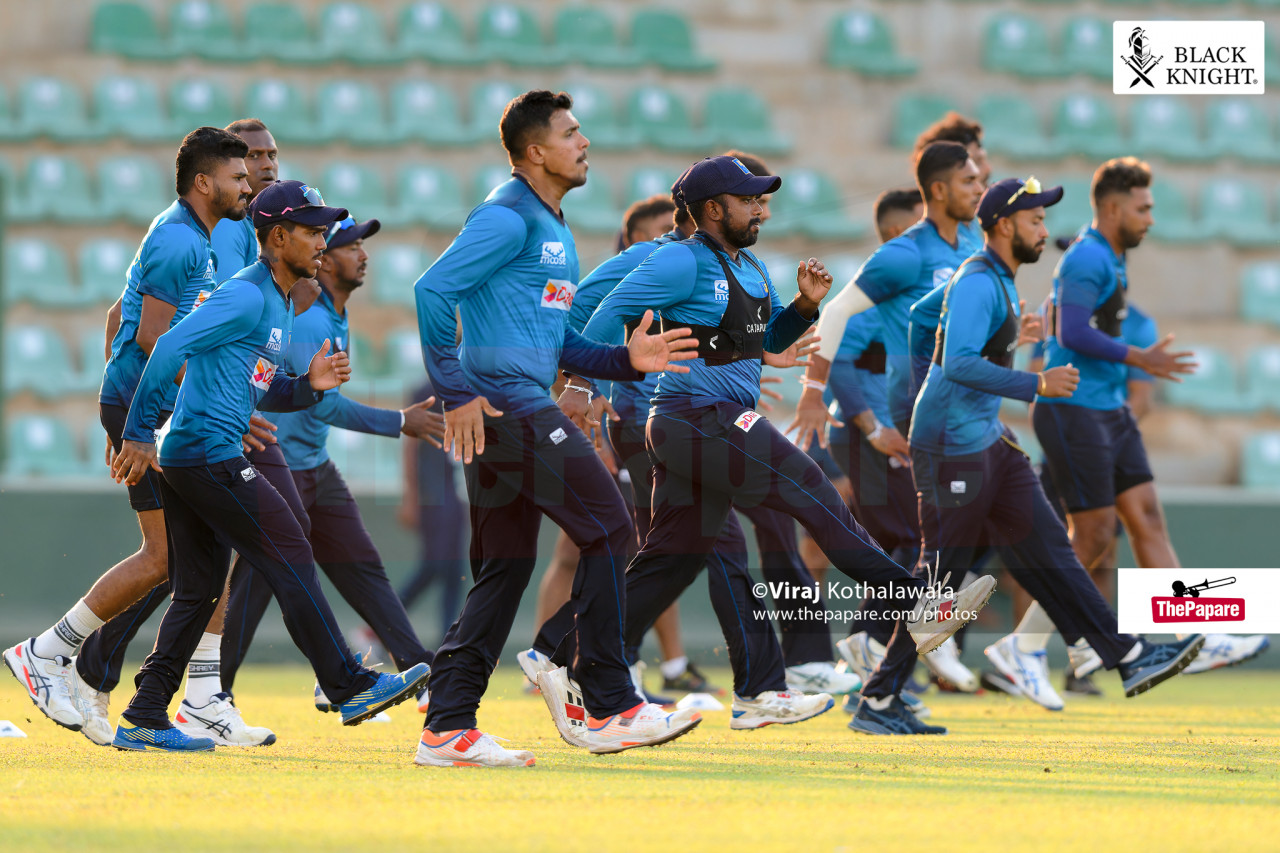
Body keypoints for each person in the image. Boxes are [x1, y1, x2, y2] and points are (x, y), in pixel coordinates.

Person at [569, 154, 996, 739]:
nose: (760, 209)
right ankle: (917, 601)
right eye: (748, 200)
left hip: (703, 421)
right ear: (712, 209)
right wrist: (582, 381)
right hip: (695, 417)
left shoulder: (749, 266)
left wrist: (803, 307)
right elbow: (607, 309)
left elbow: (767, 339)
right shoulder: (679, 259)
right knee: (812, 487)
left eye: (761, 199)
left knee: (672, 559)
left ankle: (578, 664)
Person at [413, 90, 703, 768]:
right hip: (508, 405)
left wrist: (624, 361)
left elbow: (556, 342)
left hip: (508, 405)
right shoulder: (507, 217)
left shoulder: (550, 225)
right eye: (571, 133)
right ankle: (607, 703)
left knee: (505, 568)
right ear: (536, 150)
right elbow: (432, 289)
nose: (585, 142)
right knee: (611, 528)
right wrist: (454, 392)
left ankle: (447, 725)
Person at [105, 180, 430, 751]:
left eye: (324, 231)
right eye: (311, 231)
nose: (323, 241)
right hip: (208, 453)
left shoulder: (277, 301)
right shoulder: (248, 295)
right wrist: (136, 432)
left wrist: (307, 385)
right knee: (291, 549)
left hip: (195, 454)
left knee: (199, 590)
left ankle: (145, 714)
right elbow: (168, 346)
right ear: (277, 237)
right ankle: (348, 684)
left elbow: (259, 385)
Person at [889, 176, 1203, 725]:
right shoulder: (979, 280)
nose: (1044, 230)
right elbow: (957, 362)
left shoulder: (999, 281)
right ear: (1005, 225)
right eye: (1035, 220)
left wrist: (990, 354)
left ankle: (1125, 654)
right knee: (940, 577)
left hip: (984, 438)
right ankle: (878, 688)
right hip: (951, 443)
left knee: (1053, 550)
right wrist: (1030, 384)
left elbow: (922, 323)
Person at [2, 127, 274, 747]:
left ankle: (182, 697)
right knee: (168, 557)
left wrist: (122, 411)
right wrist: (134, 417)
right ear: (203, 182)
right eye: (237, 176)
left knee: (196, 555)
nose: (247, 186)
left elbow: (116, 318)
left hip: (144, 407)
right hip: (149, 408)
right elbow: (152, 337)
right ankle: (50, 653)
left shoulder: (196, 235)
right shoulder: (181, 240)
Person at [1004, 158, 1267, 699]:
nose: (1150, 218)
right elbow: (1072, 333)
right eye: (1143, 208)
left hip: (1109, 411)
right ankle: (1023, 646)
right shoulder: (1086, 259)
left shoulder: (1112, 258)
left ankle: (1194, 635)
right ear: (1112, 207)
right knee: (1093, 536)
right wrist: (1140, 359)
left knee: (1148, 518)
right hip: (1075, 409)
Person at [219, 215, 446, 708]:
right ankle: (213, 694)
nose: (362, 255)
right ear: (323, 263)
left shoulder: (333, 315)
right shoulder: (314, 321)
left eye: (362, 246)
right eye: (350, 247)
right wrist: (399, 421)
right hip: (281, 469)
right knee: (253, 589)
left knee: (363, 569)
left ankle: (416, 667)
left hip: (312, 467)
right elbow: (322, 404)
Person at [792, 143, 987, 705]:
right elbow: (840, 358)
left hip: (912, 428)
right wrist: (869, 423)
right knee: (914, 538)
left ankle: (874, 647)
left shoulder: (957, 262)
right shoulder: (885, 290)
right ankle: (891, 640)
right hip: (867, 435)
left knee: (917, 538)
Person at [397, 378, 467, 649]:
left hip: (454, 489)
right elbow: (410, 445)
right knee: (435, 564)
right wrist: (411, 496)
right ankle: (381, 626)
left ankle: (447, 642)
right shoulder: (427, 391)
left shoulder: (470, 386)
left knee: (454, 570)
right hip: (433, 492)